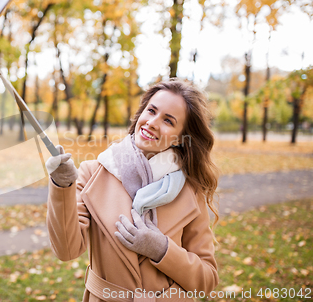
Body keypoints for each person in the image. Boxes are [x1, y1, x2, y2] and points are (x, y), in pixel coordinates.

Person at [45, 80, 219, 302]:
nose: (152, 123)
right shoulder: (92, 173)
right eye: (151, 111)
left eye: (168, 120)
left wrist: (162, 250)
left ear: (179, 137)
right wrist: (62, 186)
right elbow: (66, 250)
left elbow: (206, 280)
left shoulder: (190, 190)